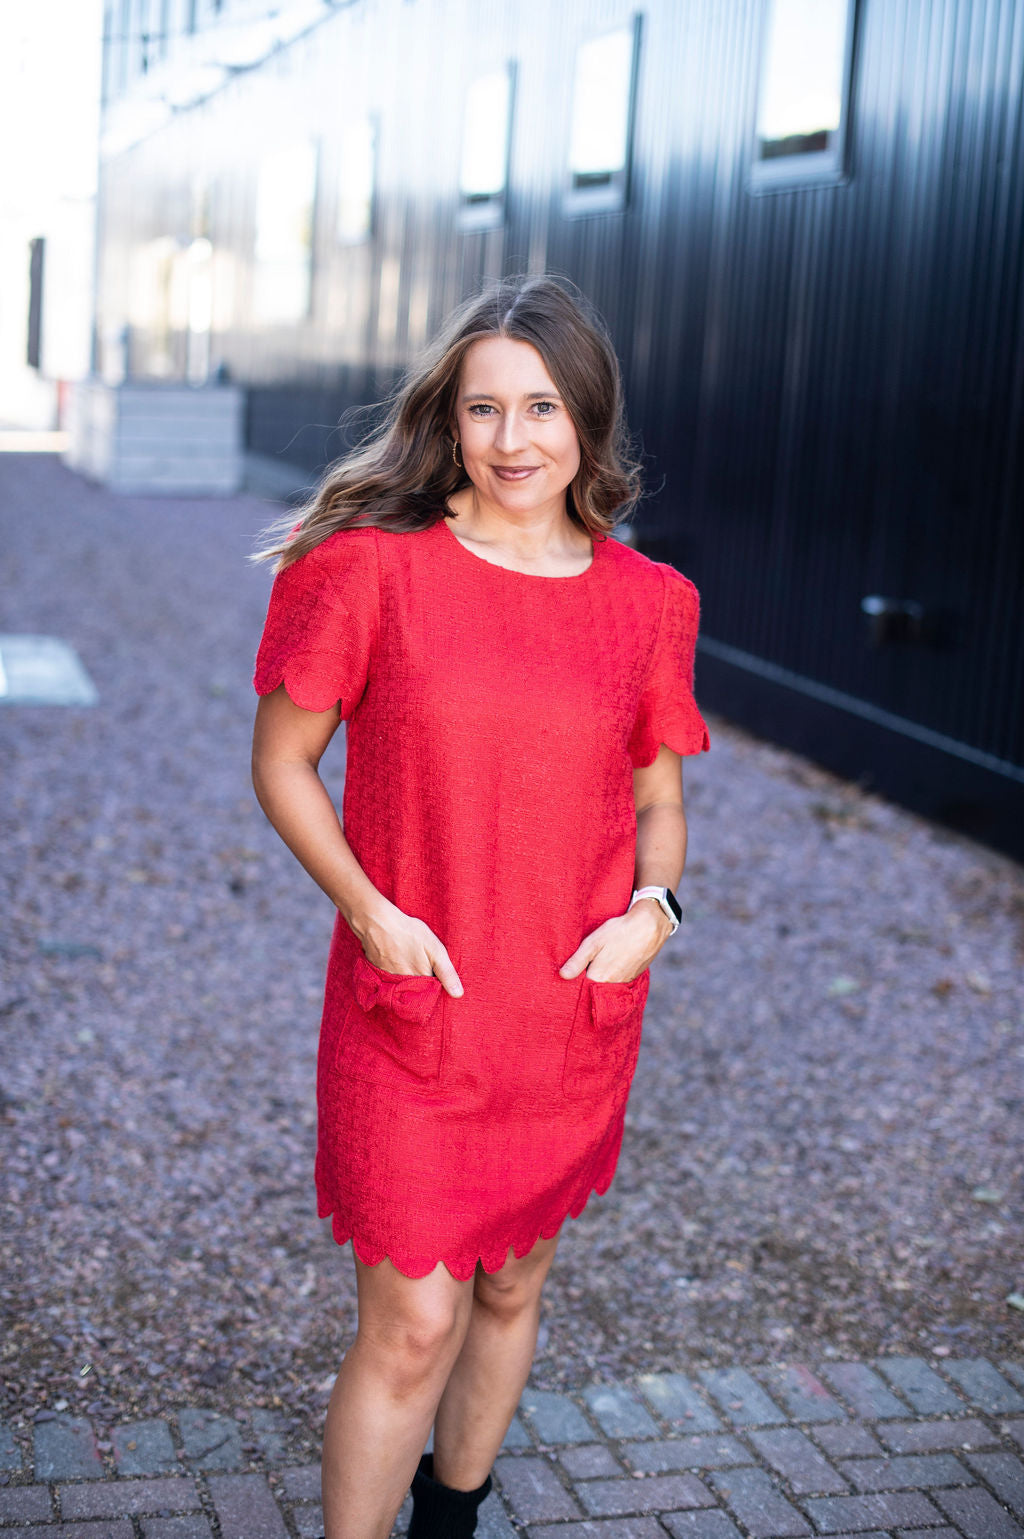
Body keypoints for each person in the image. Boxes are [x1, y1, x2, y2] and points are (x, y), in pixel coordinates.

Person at [250, 274, 709, 1539]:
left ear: (589, 423)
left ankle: (453, 1517)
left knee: (510, 1290)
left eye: (543, 408)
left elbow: (658, 799)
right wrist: (368, 912)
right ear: (449, 423)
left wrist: (654, 912)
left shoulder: (647, 603)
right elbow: (282, 763)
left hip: (565, 1011)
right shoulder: (369, 574)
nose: (515, 441)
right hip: (413, 1002)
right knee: (414, 1322)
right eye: (485, 409)